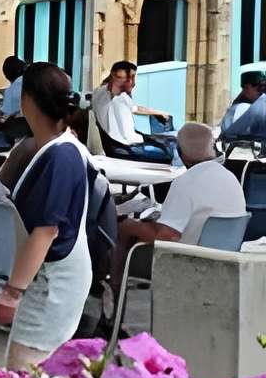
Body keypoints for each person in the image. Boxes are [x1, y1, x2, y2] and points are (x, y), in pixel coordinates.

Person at [0, 62, 92, 368]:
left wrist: (12, 294)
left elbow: (47, 230)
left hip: (54, 281)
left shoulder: (61, 155)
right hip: (50, 276)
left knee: (25, 368)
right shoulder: (53, 148)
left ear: (27, 101)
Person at [104, 122, 247, 310]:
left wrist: (132, 225)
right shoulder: (231, 179)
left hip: (186, 262)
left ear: (180, 153)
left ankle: (114, 306)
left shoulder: (186, 182)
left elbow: (167, 236)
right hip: (225, 263)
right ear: (212, 147)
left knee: (124, 232)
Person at [90, 60, 176, 162]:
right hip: (126, 148)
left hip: (117, 146)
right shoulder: (117, 96)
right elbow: (130, 136)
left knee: (167, 141)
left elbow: (135, 109)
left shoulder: (98, 92)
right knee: (172, 150)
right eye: (128, 78)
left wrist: (159, 113)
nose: (133, 82)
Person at [220, 68, 266, 147]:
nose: (244, 92)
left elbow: (230, 131)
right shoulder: (261, 102)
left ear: (249, 87)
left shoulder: (257, 107)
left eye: (245, 88)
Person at [0, 55, 25, 122]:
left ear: (5, 75)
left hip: (18, 126)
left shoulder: (9, 92)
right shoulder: (30, 82)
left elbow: (6, 116)